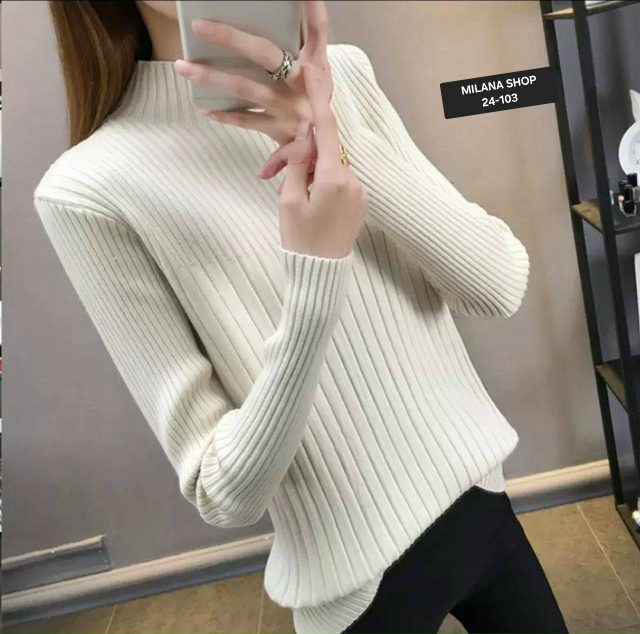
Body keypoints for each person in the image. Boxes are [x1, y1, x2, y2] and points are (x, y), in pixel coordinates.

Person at [36, 2, 568, 633]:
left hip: (483, 502)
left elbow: (499, 285)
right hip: (355, 585)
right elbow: (222, 492)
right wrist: (316, 273)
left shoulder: (344, 76)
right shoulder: (87, 190)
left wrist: (340, 139)